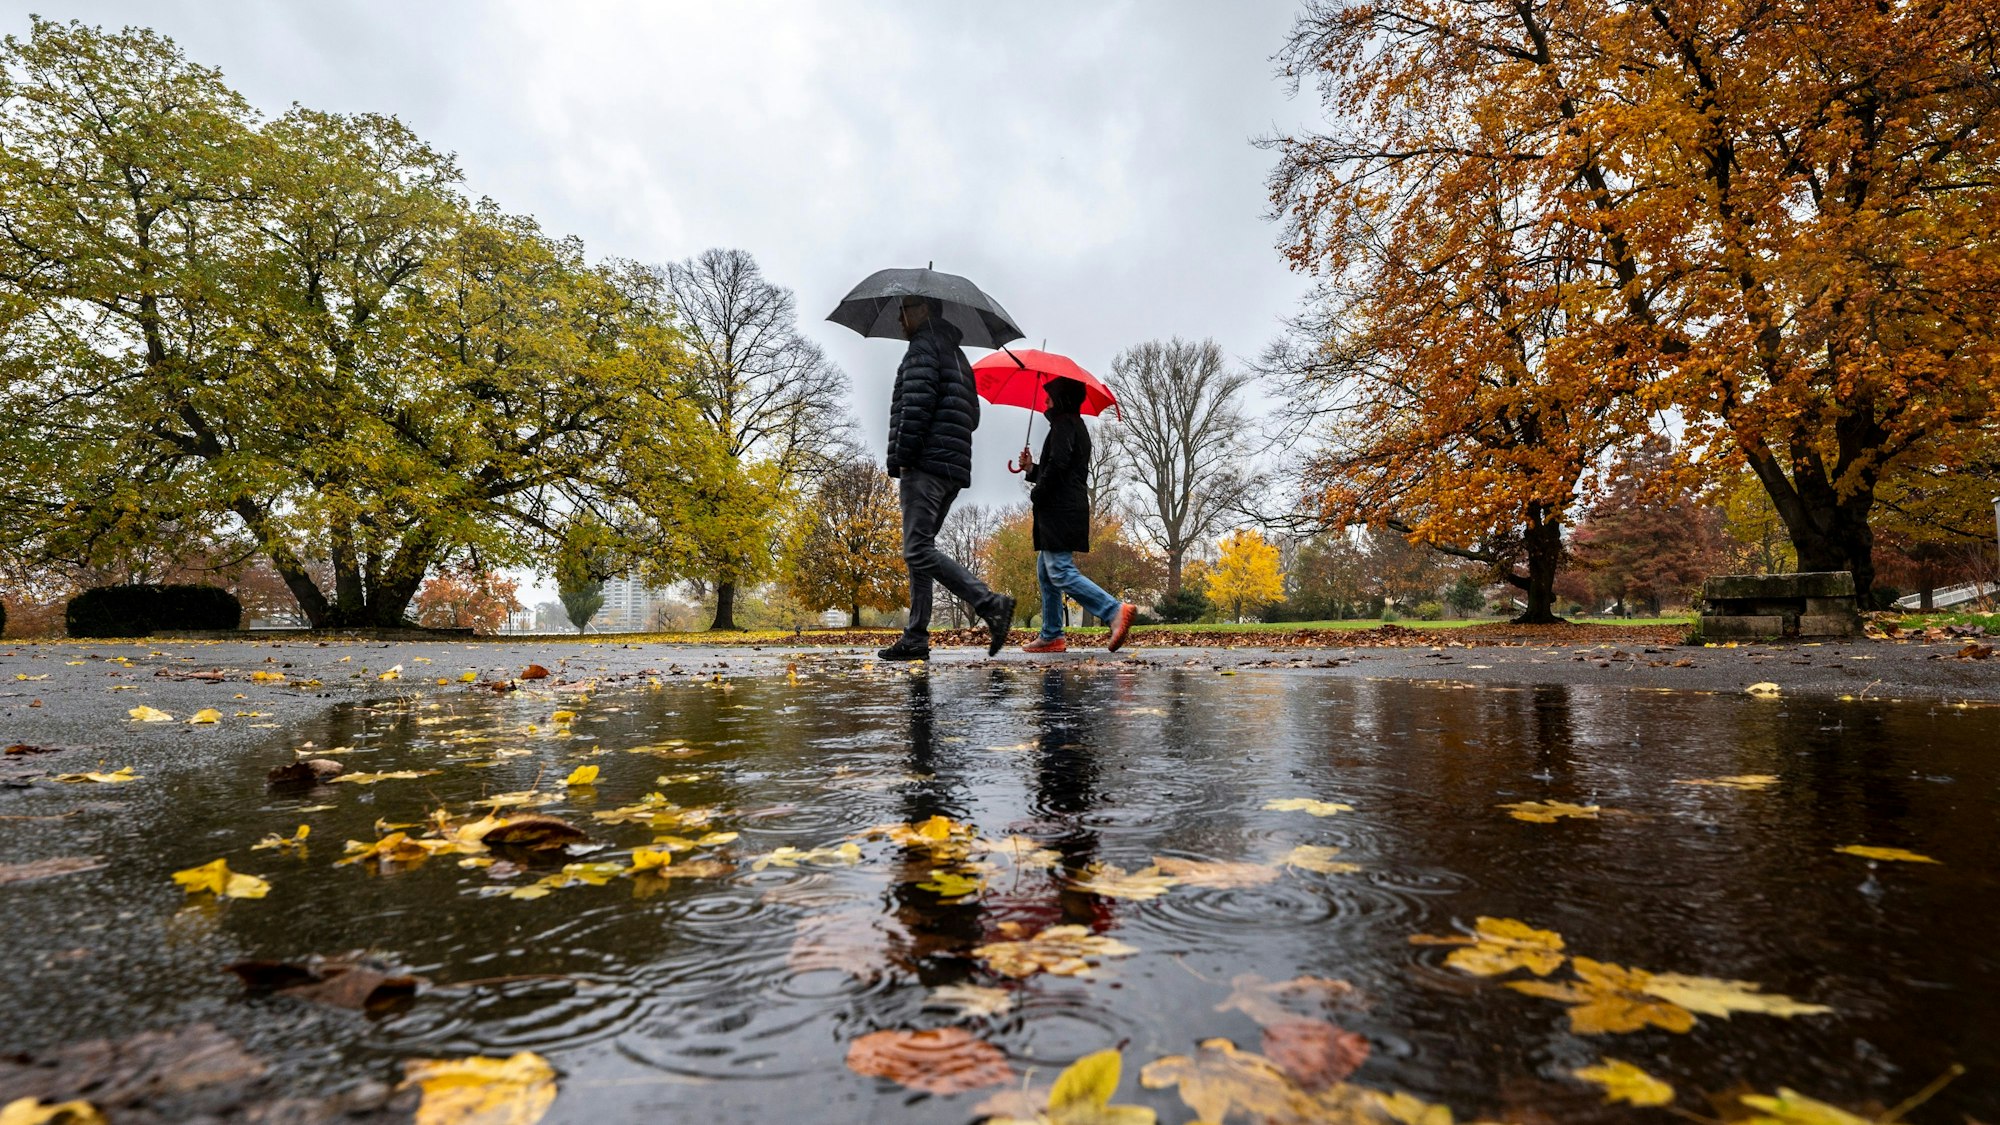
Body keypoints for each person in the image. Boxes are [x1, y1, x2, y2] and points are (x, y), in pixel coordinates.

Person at [879, 295, 1015, 661]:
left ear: (924, 310)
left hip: (925, 465)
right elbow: (972, 416)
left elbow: (915, 408)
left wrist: (904, 459)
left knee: (917, 549)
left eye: (904, 310)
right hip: (951, 467)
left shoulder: (923, 348)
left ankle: (991, 603)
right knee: (919, 553)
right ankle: (916, 637)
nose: (899, 318)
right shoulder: (957, 355)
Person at [1015, 376, 1137, 653]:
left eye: (1049, 395)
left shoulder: (1064, 424)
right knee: (1047, 572)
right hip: (1064, 506)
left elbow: (1058, 467)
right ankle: (1052, 635)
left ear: (1061, 398)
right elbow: (1062, 469)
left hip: (1060, 509)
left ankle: (1114, 611)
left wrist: (1037, 491)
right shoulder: (1070, 425)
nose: (1044, 400)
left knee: (1059, 570)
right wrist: (1032, 469)